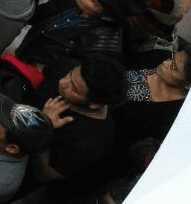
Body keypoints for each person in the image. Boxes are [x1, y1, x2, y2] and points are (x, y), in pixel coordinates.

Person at [20, 56, 128, 200]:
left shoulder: (94, 142)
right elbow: (43, 71)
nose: (63, 82)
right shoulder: (72, 67)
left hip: (17, 167)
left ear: (94, 104)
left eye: (74, 89)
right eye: (70, 74)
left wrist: (44, 130)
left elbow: (44, 174)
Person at [15, 0, 147, 66]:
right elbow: (46, 10)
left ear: (107, 16)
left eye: (92, 0)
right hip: (27, 48)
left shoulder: (99, 48)